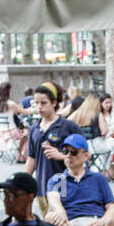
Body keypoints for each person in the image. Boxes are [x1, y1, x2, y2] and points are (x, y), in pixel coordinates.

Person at [23, 81, 80, 212]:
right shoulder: (34, 129)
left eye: (43, 103)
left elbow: (84, 155)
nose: (39, 107)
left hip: (64, 188)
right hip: (42, 188)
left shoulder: (68, 126)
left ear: (54, 103)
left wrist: (61, 156)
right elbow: (31, 158)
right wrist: (23, 182)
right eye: (36, 103)